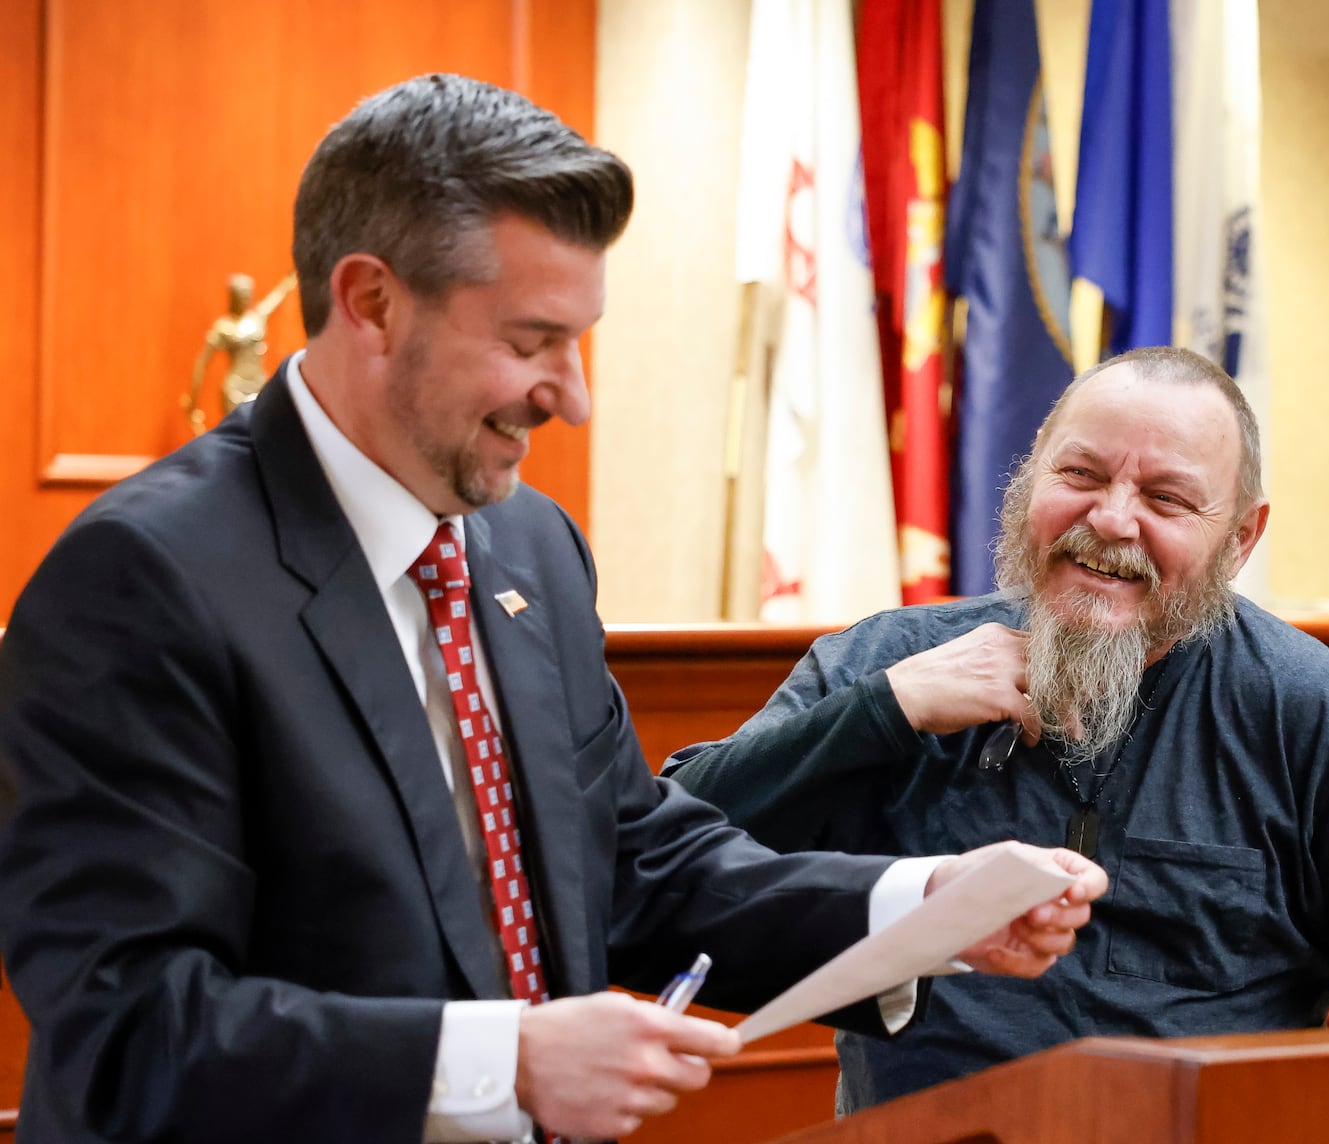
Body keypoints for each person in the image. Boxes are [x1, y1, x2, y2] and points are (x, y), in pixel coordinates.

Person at [0, 74, 1110, 1144]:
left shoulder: (527, 543)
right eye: (531, 343)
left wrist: (928, 901)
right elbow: (130, 1027)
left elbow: (631, 860)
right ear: (371, 302)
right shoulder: (141, 581)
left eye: (577, 343)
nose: (573, 398)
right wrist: (508, 1064)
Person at [665, 345, 1329, 1113]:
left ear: (1241, 538)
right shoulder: (890, 663)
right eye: (1079, 475)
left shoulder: (1315, 714)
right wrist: (885, 713)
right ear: (1027, 480)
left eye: (1166, 497)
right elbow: (663, 852)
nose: (1111, 520)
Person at [182, 271, 298, 433]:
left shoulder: (257, 318)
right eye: (240, 293)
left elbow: (278, 295)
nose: (244, 297)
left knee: (263, 432)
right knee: (238, 434)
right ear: (232, 296)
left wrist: (291, 277)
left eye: (247, 293)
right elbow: (202, 363)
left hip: (259, 383)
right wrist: (192, 400)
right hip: (235, 387)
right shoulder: (224, 327)